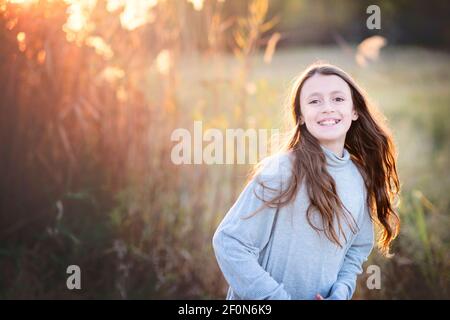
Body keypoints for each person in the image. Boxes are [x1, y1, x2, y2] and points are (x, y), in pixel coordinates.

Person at [212, 62, 400, 300]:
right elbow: (230, 242)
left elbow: (356, 249)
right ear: (300, 117)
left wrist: (340, 293)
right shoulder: (283, 169)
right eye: (314, 101)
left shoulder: (359, 177)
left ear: (355, 111)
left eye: (338, 99)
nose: (327, 108)